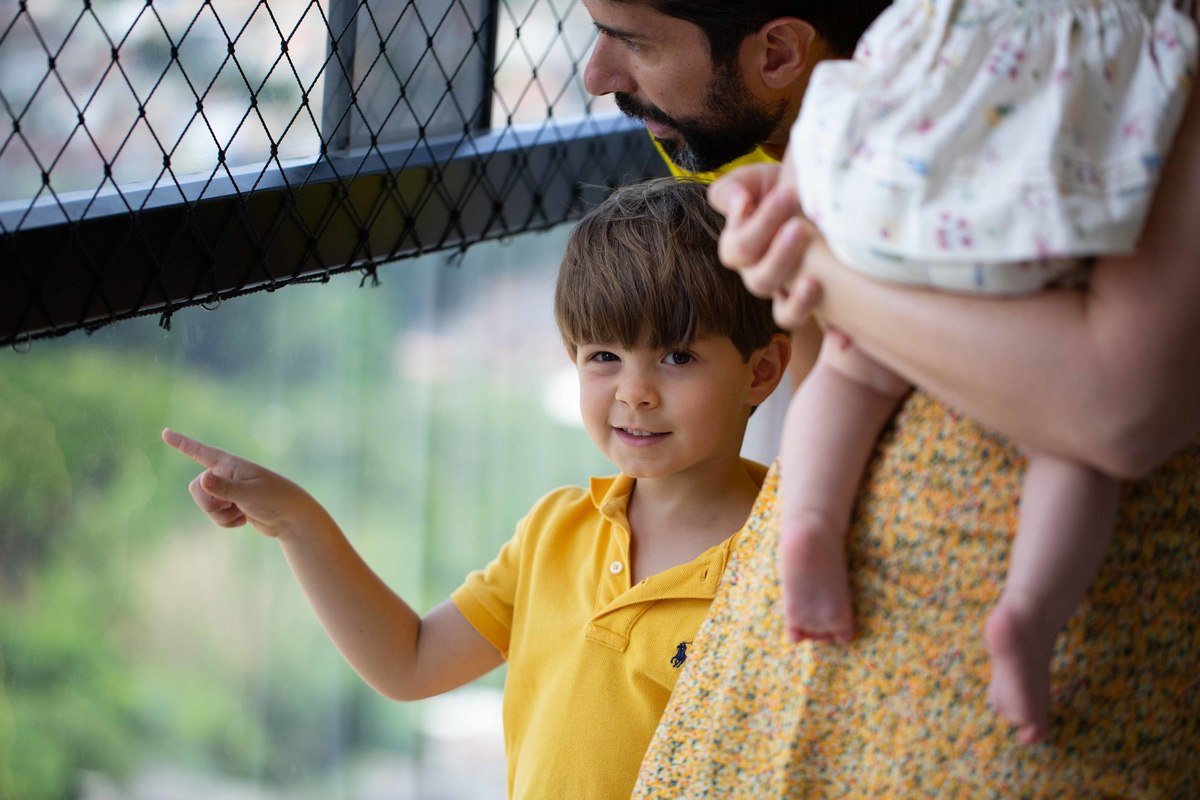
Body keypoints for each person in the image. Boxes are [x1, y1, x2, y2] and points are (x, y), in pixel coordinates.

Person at [579, 0, 1200, 795]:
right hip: (820, 666)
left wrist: (812, 265)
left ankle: (836, 534)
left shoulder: (924, 34)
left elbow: (1116, 411)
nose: (597, 74)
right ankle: (1024, 610)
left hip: (964, 697)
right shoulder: (1115, 43)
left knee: (866, 383)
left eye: (630, 41)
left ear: (780, 50)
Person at [161, 177, 791, 800]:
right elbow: (410, 660)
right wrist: (297, 521)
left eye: (677, 357)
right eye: (604, 356)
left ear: (761, 371)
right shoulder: (555, 531)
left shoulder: (785, 566)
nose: (634, 392)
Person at [768, 0, 1196, 745]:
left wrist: (803, 201)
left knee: (847, 368)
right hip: (1023, 226)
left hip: (892, 207)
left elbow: (853, 84)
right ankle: (1028, 614)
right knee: (1064, 446)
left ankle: (808, 520)